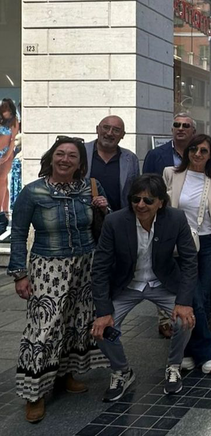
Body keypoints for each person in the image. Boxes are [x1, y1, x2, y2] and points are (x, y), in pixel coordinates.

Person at [9, 136, 110, 422]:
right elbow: (18, 234)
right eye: (61, 154)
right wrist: (20, 273)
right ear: (51, 157)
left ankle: (65, 376)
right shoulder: (33, 192)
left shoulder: (90, 187)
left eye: (72, 156)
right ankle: (34, 393)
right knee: (44, 328)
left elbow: (106, 223)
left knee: (75, 323)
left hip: (85, 264)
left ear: (80, 163)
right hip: (48, 267)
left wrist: (104, 207)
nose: (65, 160)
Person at [91, 174, 197, 401]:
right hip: (126, 285)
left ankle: (174, 366)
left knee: (184, 320)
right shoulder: (115, 222)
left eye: (148, 200)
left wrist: (184, 302)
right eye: (136, 199)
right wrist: (103, 311)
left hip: (163, 282)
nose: (141, 205)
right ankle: (122, 370)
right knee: (101, 331)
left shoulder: (176, 219)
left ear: (161, 202)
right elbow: (99, 268)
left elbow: (190, 261)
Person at [163, 134, 211, 374]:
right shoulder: (172, 174)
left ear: (210, 156)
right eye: (194, 149)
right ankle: (205, 351)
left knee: (204, 297)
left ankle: (188, 350)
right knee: (192, 297)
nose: (198, 154)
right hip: (181, 245)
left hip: (208, 243)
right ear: (186, 151)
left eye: (204, 151)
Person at [143, 113, 197, 338]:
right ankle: (165, 318)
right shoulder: (157, 155)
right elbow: (145, 186)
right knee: (164, 267)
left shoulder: (201, 153)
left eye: (186, 126)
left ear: (193, 131)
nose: (181, 129)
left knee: (190, 269)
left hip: (194, 221)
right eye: (177, 125)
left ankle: (192, 312)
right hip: (163, 221)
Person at [85, 115, 140, 211]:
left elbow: (136, 191)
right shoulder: (81, 152)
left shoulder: (131, 159)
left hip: (118, 219)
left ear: (123, 135)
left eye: (116, 130)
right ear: (97, 129)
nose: (110, 133)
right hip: (84, 219)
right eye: (106, 128)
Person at [0, 98, 20, 233]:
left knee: (1, 180)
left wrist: (7, 154)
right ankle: (5, 211)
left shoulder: (14, 121)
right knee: (4, 182)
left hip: (6, 153)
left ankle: (1, 212)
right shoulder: (1, 120)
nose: (5, 111)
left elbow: (13, 140)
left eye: (7, 108)